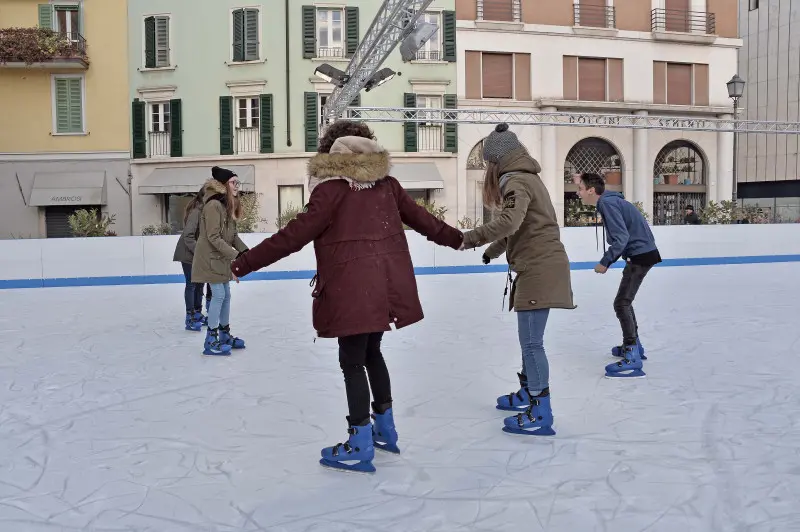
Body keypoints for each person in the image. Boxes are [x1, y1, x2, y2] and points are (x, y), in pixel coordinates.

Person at [230, 120, 463, 473]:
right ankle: (385, 430)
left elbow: (293, 236)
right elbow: (425, 221)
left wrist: (242, 263)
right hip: (384, 288)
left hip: (351, 289)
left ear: (331, 153)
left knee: (353, 360)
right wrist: (460, 239)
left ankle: (359, 442)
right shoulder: (389, 187)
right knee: (372, 353)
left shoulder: (331, 192)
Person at [460, 123, 574, 437]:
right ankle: (529, 393)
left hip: (540, 268)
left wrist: (471, 239)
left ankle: (540, 409)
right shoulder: (527, 178)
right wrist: (492, 252)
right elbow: (519, 228)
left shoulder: (516, 181)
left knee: (532, 343)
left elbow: (508, 221)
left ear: (496, 161)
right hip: (539, 265)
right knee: (529, 342)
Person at [576, 173, 661, 378]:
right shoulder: (610, 201)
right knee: (625, 302)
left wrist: (605, 262)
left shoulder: (608, 204)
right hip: (641, 253)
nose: (577, 193)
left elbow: (621, 237)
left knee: (621, 303)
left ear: (590, 190)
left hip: (640, 255)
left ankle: (632, 355)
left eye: (579, 188)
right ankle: (633, 346)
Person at [191, 166, 249, 356]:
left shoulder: (226, 204)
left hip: (220, 258)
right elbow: (214, 237)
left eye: (237, 183)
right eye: (233, 182)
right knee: (218, 295)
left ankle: (224, 334)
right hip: (210, 258)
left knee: (226, 295)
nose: (237, 186)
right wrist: (236, 256)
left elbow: (232, 236)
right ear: (223, 184)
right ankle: (211, 339)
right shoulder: (214, 205)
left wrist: (246, 252)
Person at [173, 188, 213, 331]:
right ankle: (189, 317)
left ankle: (197, 313)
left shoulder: (206, 212)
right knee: (191, 284)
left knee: (200, 283)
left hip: (197, 252)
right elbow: (188, 235)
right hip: (188, 252)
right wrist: (200, 252)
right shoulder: (196, 212)